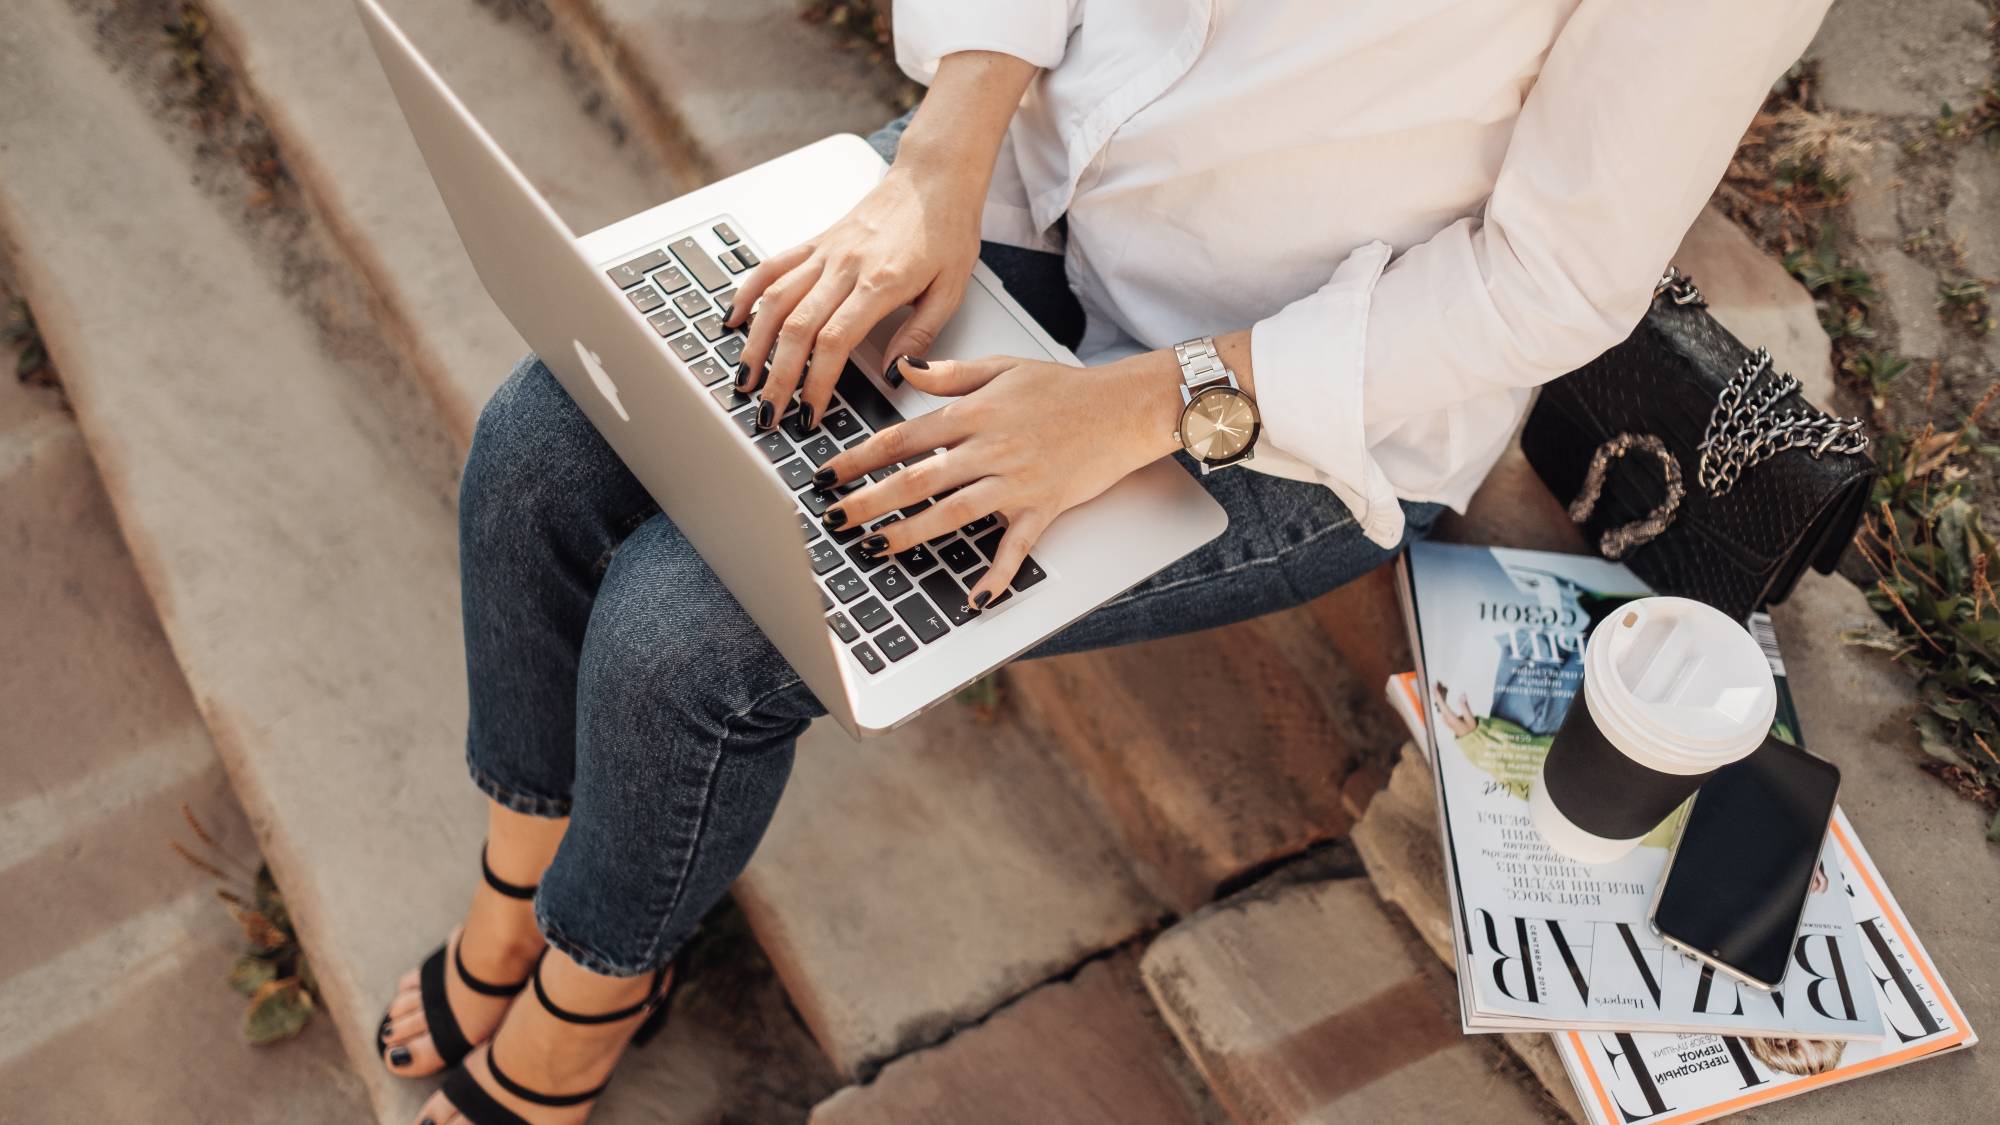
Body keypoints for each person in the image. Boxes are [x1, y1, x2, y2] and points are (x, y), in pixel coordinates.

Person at [382, 2, 1835, 1121]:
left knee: (691, 634)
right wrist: (939, 163)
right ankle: (520, 885)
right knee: (540, 439)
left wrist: (1137, 409)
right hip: (1016, 190)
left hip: (1284, 401)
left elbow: (1554, 279)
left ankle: (592, 982)